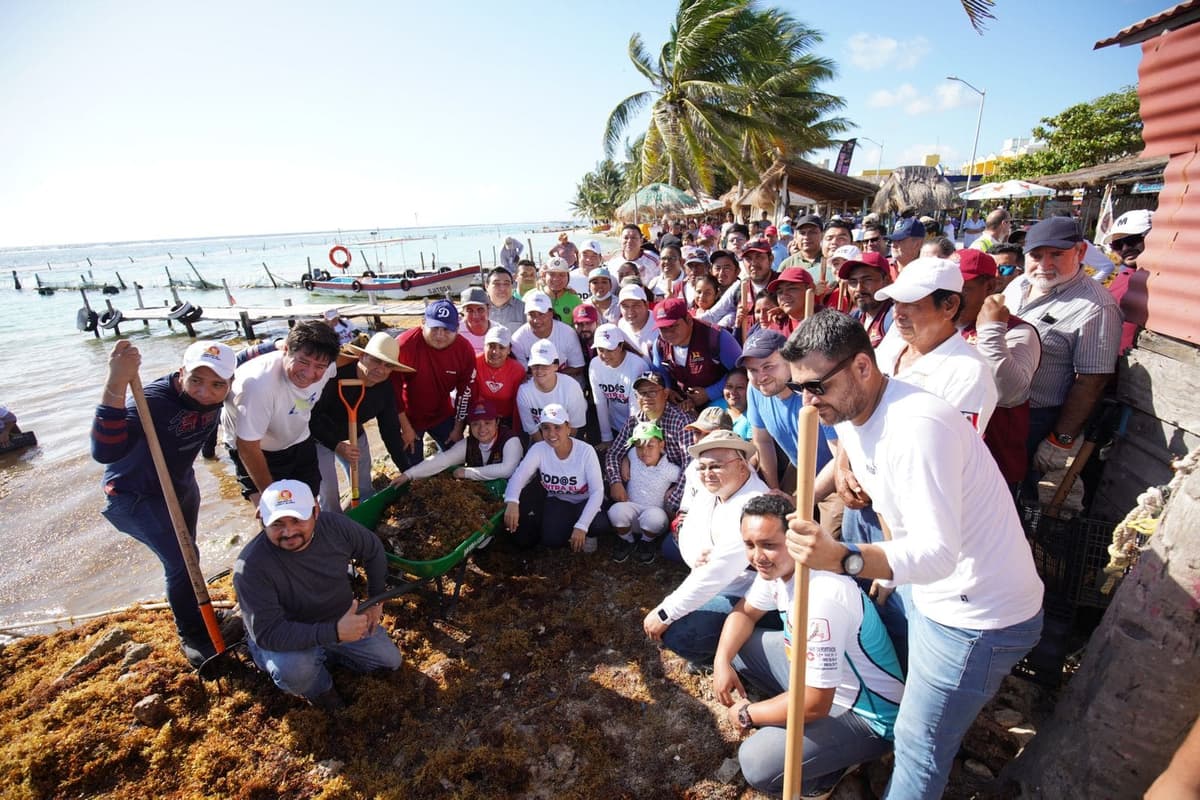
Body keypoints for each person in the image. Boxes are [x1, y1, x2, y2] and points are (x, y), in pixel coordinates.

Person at [781, 310, 1044, 799]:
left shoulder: (919, 427)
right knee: (914, 723)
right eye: (798, 389)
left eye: (816, 385)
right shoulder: (854, 413)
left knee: (919, 744)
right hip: (931, 595)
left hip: (978, 616)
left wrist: (845, 558)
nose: (809, 400)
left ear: (863, 366)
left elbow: (938, 554)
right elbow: (895, 508)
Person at [716, 495, 904, 799]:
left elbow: (816, 703)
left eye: (768, 544)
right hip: (818, 678)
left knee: (757, 762)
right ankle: (798, 725)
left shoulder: (822, 597)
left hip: (865, 714)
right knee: (738, 646)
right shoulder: (779, 569)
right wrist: (721, 661)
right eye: (749, 545)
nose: (758, 556)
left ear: (795, 541)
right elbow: (744, 612)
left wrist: (748, 713)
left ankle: (823, 779)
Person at [93, 339, 237, 667]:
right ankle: (191, 632)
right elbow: (105, 451)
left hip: (180, 485)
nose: (205, 392)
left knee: (190, 555)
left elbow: (208, 437)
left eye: (217, 384)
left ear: (229, 383)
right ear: (182, 372)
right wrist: (115, 383)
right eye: (196, 380)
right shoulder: (152, 402)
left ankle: (195, 607)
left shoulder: (218, 397)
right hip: (133, 495)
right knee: (181, 561)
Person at [233, 479, 402, 711]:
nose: (289, 531)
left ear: (316, 511)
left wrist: (376, 599)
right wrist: (333, 632)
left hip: (339, 616)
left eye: (297, 520)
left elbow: (373, 549)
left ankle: (325, 656)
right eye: (277, 523)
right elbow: (268, 633)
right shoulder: (250, 567)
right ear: (260, 518)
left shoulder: (335, 527)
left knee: (390, 661)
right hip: (289, 633)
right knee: (294, 672)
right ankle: (321, 689)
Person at [1002, 217, 1121, 496]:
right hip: (999, 413)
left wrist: (1061, 440)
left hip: (1037, 420)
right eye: (1036, 255)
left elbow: (1091, 382)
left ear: (1080, 253)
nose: (1044, 264)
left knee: (1018, 495)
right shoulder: (1018, 285)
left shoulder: (1096, 306)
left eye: (1056, 254)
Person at [645, 430, 769, 666]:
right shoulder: (713, 489)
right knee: (681, 617)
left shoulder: (754, 504)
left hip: (755, 596)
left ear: (742, 466)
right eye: (701, 467)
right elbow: (690, 531)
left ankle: (745, 654)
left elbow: (717, 571)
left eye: (716, 466)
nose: (707, 474)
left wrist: (664, 613)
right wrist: (697, 557)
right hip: (725, 585)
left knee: (679, 634)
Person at [874, 257, 998, 432]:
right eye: (895, 302)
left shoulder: (969, 374)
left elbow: (946, 451)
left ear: (950, 306)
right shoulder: (890, 349)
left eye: (910, 303)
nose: (897, 313)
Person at [223, 320, 340, 501]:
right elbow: (247, 447)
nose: (309, 374)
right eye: (303, 361)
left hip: (299, 440)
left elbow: (348, 360)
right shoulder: (257, 386)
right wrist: (272, 498)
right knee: (275, 514)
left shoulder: (328, 367)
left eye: (319, 367)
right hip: (258, 451)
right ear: (285, 349)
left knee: (308, 501)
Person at [955, 249, 1041, 489]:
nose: (950, 298)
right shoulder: (939, 326)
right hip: (949, 463)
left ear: (990, 286)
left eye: (963, 289)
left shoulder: (1018, 332)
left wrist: (991, 333)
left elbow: (1005, 393)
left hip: (993, 469)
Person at [309, 332, 415, 514]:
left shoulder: (385, 388)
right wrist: (336, 445)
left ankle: (362, 517)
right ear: (362, 356)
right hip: (320, 437)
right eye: (375, 360)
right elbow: (310, 418)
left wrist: (408, 471)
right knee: (329, 491)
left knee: (364, 486)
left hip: (354, 435)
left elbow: (389, 432)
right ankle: (332, 526)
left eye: (387, 365)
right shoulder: (334, 378)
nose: (381, 369)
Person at [739, 329, 835, 498]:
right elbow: (763, 441)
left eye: (768, 366)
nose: (761, 377)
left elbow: (840, 455)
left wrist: (800, 501)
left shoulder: (815, 392)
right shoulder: (755, 390)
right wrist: (774, 491)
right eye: (752, 370)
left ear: (790, 361)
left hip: (834, 476)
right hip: (799, 468)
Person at [503, 403, 606, 552]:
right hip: (559, 499)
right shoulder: (539, 449)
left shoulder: (585, 451)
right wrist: (512, 501)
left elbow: (597, 491)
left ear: (568, 428)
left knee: (599, 524)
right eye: (546, 428)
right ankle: (569, 527)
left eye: (557, 427)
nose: (551, 434)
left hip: (584, 500)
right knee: (552, 539)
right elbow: (519, 476)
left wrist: (582, 526)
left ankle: (588, 532)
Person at [390, 299, 477, 470]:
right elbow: (393, 391)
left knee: (457, 461)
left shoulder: (464, 349)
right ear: (423, 323)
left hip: (442, 413)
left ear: (457, 329)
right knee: (411, 469)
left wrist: (459, 427)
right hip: (409, 416)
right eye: (434, 328)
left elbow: (466, 393)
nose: (440, 335)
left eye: (446, 329)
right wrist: (405, 427)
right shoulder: (404, 345)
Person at [605, 371, 692, 517]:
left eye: (652, 392)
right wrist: (615, 482)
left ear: (665, 394)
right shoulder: (634, 421)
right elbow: (614, 453)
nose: (646, 398)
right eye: (641, 393)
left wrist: (675, 495)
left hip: (674, 482)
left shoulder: (681, 421)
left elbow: (691, 464)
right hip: (642, 481)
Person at [393, 399, 523, 485]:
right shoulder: (469, 443)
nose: (482, 429)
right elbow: (443, 459)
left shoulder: (510, 440)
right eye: (476, 424)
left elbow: (507, 470)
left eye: (488, 423)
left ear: (497, 422)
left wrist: (467, 472)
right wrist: (409, 475)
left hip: (514, 495)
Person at [649, 297, 741, 412]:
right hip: (683, 406)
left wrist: (710, 393)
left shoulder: (717, 338)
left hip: (720, 403)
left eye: (673, 326)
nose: (668, 333)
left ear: (689, 320)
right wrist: (667, 389)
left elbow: (740, 371)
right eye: (662, 328)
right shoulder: (659, 345)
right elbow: (659, 374)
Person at [609, 421, 682, 564]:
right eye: (639, 447)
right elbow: (626, 455)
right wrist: (625, 462)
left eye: (650, 446)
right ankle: (627, 540)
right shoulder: (634, 456)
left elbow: (685, 478)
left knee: (655, 517)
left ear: (661, 445)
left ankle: (646, 542)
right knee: (615, 511)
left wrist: (674, 488)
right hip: (632, 513)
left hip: (654, 518)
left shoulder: (668, 468)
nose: (644, 452)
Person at [589, 323, 650, 448]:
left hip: (638, 427)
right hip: (614, 426)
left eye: (610, 350)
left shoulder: (637, 365)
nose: (605, 355)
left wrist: (629, 441)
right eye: (600, 350)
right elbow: (600, 403)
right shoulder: (595, 365)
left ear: (621, 346)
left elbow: (635, 409)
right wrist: (606, 438)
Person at [1102, 209, 1153, 355]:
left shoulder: (1161, 279)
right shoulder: (1124, 274)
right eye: (1117, 244)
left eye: (1132, 240)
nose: (1125, 249)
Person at [516, 339, 588, 439]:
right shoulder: (524, 391)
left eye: (545, 365)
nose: (539, 370)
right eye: (535, 366)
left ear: (556, 366)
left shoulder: (571, 387)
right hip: (541, 435)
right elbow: (532, 430)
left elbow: (574, 428)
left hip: (569, 434)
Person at [511, 290, 586, 378]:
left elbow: (577, 366)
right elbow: (523, 373)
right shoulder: (517, 339)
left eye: (541, 314)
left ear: (551, 314)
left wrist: (550, 378)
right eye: (532, 315)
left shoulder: (568, 333)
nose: (536, 320)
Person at [471, 325, 526, 430]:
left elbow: (517, 405)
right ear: (484, 346)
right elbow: (469, 396)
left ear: (509, 350)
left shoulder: (517, 370)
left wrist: (516, 431)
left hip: (506, 420)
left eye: (501, 347)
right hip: (480, 418)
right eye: (491, 346)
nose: (495, 352)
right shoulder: (474, 363)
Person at [840, 252, 894, 348]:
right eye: (853, 282)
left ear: (887, 281)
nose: (859, 288)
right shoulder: (853, 319)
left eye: (867, 280)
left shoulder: (896, 317)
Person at [762, 266, 816, 336]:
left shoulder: (827, 323)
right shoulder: (777, 326)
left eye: (792, 289)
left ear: (809, 289)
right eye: (780, 292)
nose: (784, 295)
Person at [617, 284, 660, 356]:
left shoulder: (660, 324)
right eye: (625, 306)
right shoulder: (621, 324)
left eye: (636, 305)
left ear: (646, 305)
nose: (630, 311)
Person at [457, 286, 502, 354]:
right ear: (463, 311)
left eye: (480, 309)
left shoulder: (499, 331)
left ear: (488, 308)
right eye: (470, 310)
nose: (475, 315)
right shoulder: (454, 332)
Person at [485, 266, 527, 334]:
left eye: (506, 283)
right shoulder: (478, 309)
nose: (502, 288)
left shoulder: (524, 309)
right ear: (486, 286)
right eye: (497, 284)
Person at [543, 256, 582, 325]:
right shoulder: (534, 296)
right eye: (552, 274)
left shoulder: (575, 300)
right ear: (544, 276)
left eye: (562, 275)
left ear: (568, 277)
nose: (556, 279)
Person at [722, 367, 752, 440]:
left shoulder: (754, 417)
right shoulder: (714, 406)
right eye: (729, 386)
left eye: (739, 387)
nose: (733, 392)